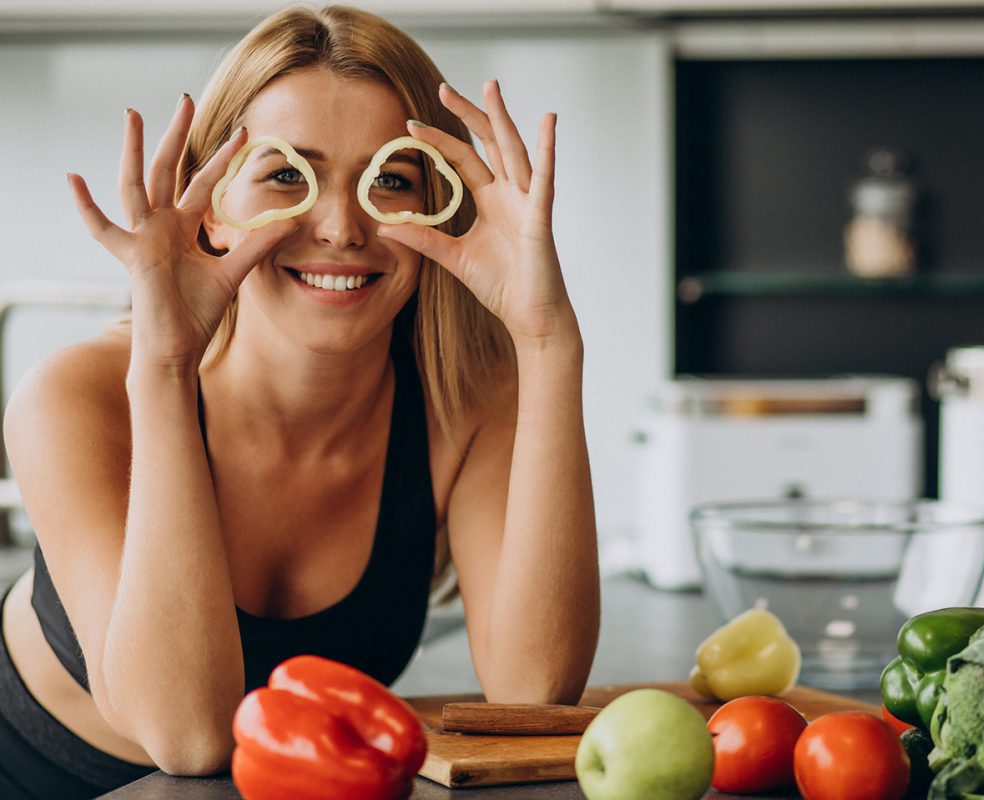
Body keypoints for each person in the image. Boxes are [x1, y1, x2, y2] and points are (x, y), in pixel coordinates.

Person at [0, 5, 600, 797]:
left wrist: (551, 344)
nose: (343, 226)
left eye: (391, 181)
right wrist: (165, 364)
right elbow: (185, 736)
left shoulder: (469, 402)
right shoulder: (77, 396)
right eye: (289, 174)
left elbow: (534, 695)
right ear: (209, 202)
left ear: (436, 210)